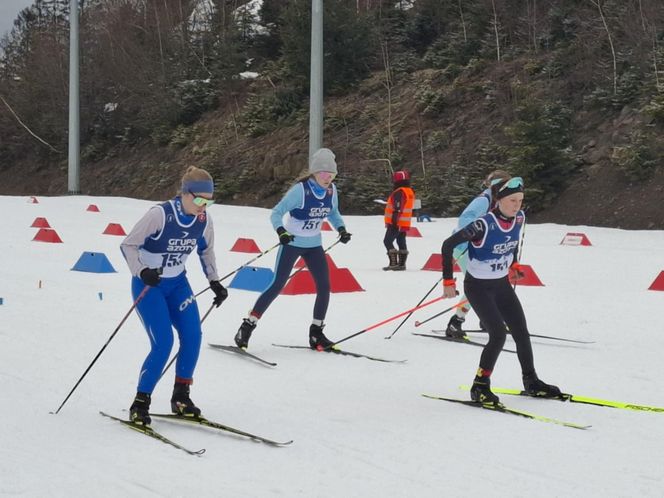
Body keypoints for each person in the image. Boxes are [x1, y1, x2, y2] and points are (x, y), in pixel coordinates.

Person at [120, 166, 228, 426]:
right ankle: (140, 402)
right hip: (150, 286)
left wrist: (214, 282)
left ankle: (181, 396)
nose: (204, 206)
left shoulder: (203, 221)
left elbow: (206, 251)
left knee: (193, 336)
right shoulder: (160, 215)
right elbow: (128, 245)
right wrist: (142, 271)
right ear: (185, 194)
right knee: (163, 342)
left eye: (209, 201)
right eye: (201, 200)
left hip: (178, 284)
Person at [440, 177, 561, 404]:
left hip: (501, 285)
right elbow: (447, 245)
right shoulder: (483, 224)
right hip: (478, 287)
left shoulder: (519, 219)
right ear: (500, 200)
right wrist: (448, 281)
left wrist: (512, 262)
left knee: (521, 332)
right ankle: (480, 386)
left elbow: (511, 243)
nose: (517, 205)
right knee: (497, 335)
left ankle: (531, 381)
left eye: (521, 201)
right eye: (513, 200)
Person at [233, 148, 351, 351]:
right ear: (315, 172)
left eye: (332, 175)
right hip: (293, 244)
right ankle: (248, 325)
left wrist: (341, 228)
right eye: (324, 174)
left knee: (324, 286)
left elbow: (333, 212)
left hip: (314, 245)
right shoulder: (300, 190)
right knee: (277, 284)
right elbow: (276, 213)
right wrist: (281, 232)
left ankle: (316, 333)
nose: (328, 178)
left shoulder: (332, 191)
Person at [444, 170, 511, 338]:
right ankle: (456, 322)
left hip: (481, 249)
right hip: (465, 248)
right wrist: (477, 237)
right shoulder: (484, 199)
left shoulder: (498, 200)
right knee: (477, 285)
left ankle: (487, 319)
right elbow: (465, 219)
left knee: (492, 283)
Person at [382, 170, 415, 271]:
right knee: (401, 241)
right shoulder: (409, 191)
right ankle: (401, 264)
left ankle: (393, 263)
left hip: (396, 222)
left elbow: (397, 208)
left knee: (387, 241)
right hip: (404, 222)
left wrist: (394, 222)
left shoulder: (399, 192)